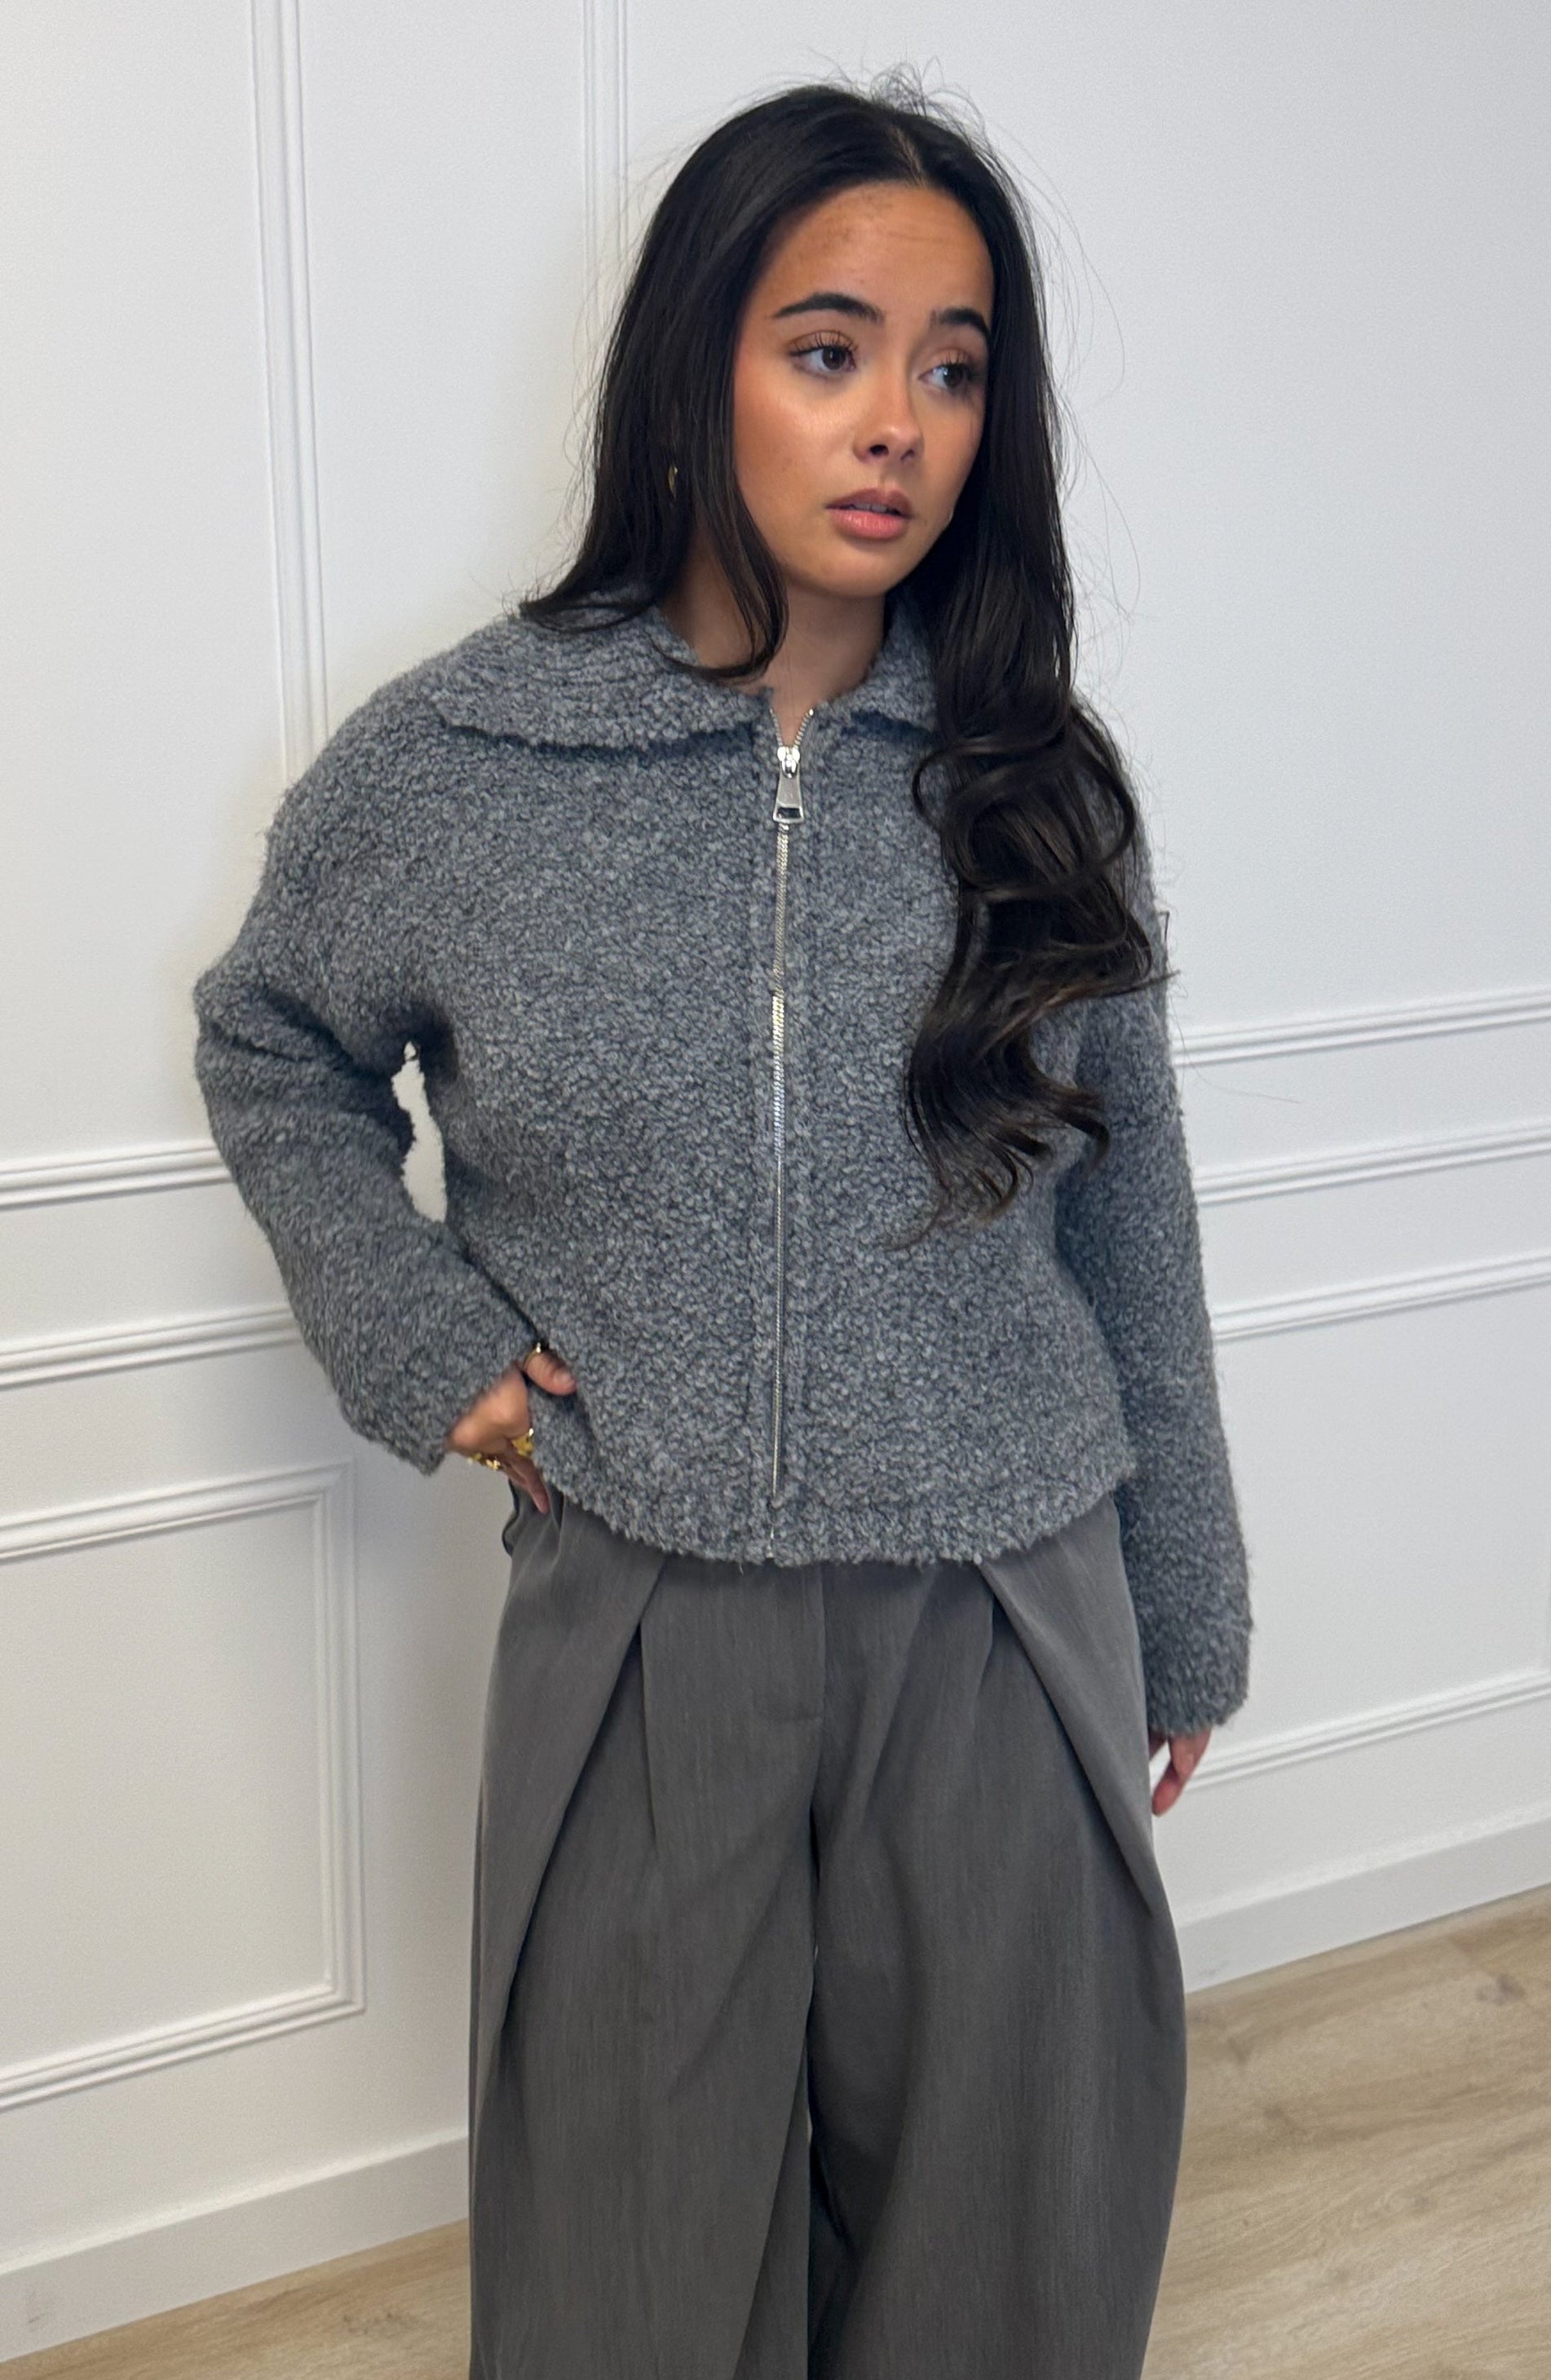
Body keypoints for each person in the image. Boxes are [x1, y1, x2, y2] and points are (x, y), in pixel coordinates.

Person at [192, 69, 1253, 2380]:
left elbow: (1133, 1201)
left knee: (1011, 2229)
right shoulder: (457, 765)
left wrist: (1183, 1601)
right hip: (645, 1595)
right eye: (827, 348)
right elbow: (270, 1040)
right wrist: (429, 1346)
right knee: (629, 2257)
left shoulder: (1034, 781)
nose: (897, 426)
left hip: (1008, 1590)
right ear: (696, 370)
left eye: (953, 369)